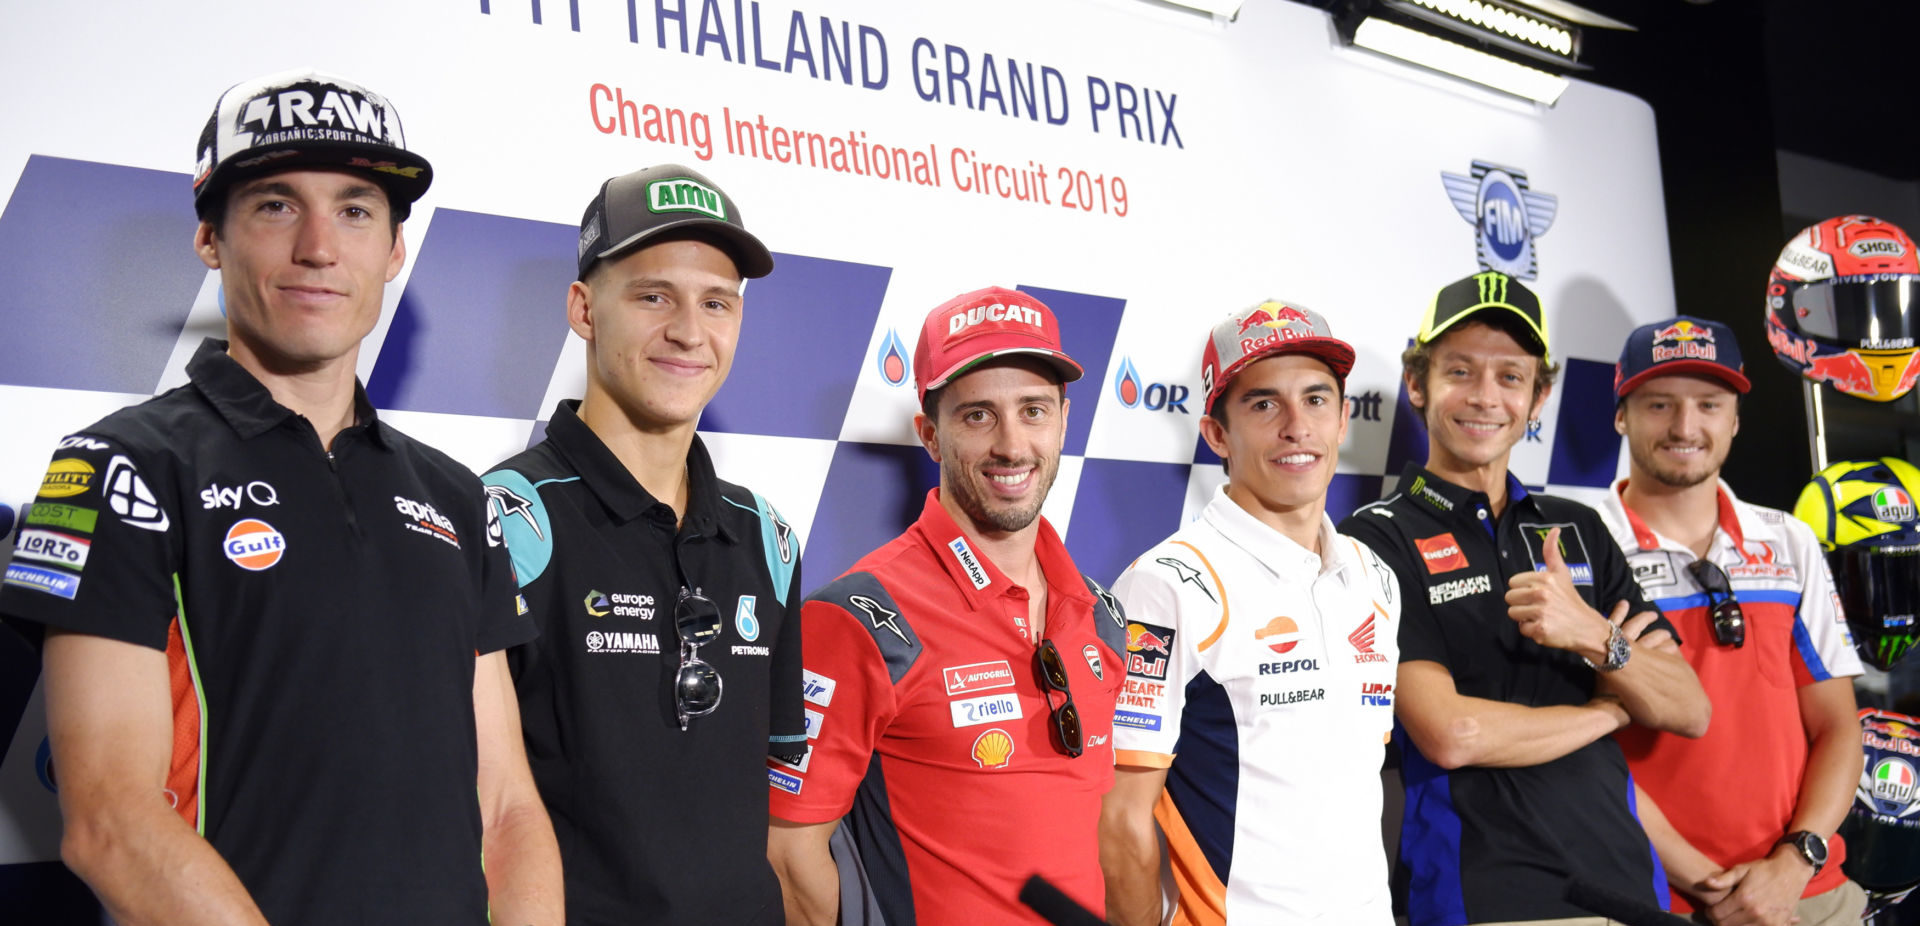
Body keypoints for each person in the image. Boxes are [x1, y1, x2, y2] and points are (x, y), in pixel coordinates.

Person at [0, 69, 561, 924]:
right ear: (210, 239)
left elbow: (508, 806)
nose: (319, 247)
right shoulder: (119, 465)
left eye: (356, 210)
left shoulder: (455, 495)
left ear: (394, 250)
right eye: (274, 204)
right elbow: (108, 820)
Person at [481, 164, 804, 924]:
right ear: (584, 309)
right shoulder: (501, 518)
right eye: (654, 295)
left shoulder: (770, 539)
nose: (690, 331)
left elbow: (779, 820)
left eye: (716, 302)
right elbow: (466, 806)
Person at [1339, 271, 1711, 926]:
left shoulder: (1578, 526)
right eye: (1461, 371)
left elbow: (1687, 708)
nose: (1486, 397)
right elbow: (1451, 734)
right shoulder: (1375, 537)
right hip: (1485, 895)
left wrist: (1594, 636)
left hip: (1632, 885)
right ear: (1418, 384)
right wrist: (1611, 711)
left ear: (1538, 398)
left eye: (1511, 377)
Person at [765, 287, 1128, 925]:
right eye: (978, 416)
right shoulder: (858, 617)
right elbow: (789, 858)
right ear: (930, 436)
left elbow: (1091, 826)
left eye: (1034, 410)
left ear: (1065, 422)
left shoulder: (1100, 613)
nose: (1013, 446)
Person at [1098, 301, 1403, 924]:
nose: (1297, 427)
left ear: (1345, 419)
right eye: (1264, 405)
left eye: (1317, 400)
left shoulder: (1376, 578)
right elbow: (1123, 818)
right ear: (1216, 435)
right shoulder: (1168, 585)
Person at [1598, 316, 1867, 925]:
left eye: (1709, 405)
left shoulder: (1789, 542)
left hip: (1806, 894)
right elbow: (1583, 749)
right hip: (1649, 897)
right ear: (1621, 415)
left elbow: (1838, 728)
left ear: (1736, 419)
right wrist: (1717, 887)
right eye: (1660, 404)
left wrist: (1794, 864)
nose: (1685, 427)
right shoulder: (1583, 549)